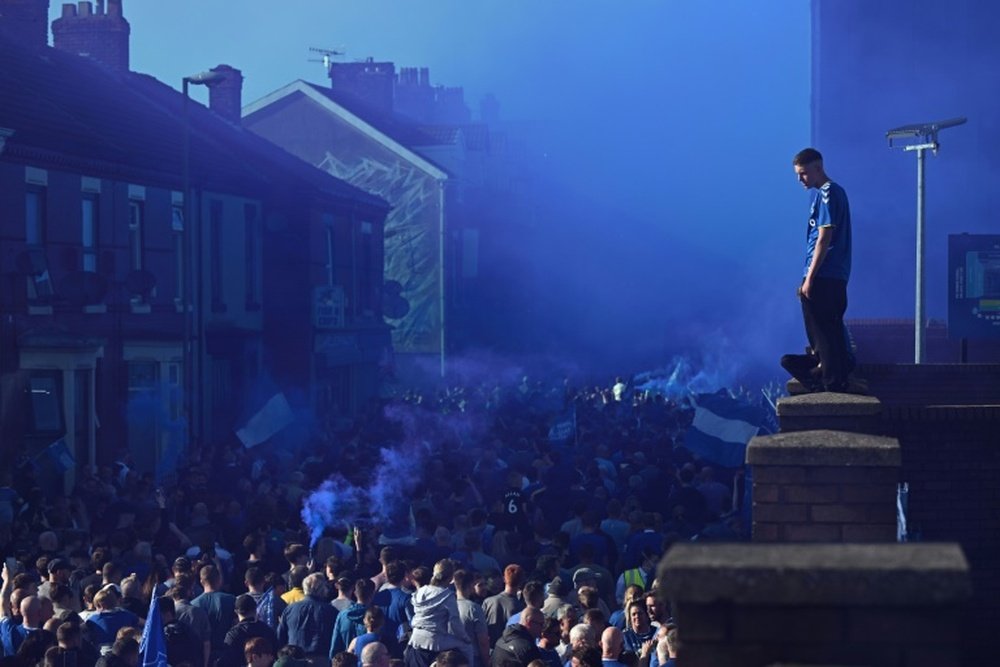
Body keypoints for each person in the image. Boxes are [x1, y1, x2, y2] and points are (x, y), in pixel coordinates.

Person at [784, 147, 854, 393]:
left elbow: (824, 237)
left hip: (825, 274)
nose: (799, 179)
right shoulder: (838, 193)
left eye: (803, 173)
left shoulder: (827, 193)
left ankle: (831, 380)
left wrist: (809, 278)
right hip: (836, 275)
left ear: (818, 168)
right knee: (831, 328)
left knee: (822, 329)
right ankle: (835, 375)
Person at [404, 560, 469, 667]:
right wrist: (465, 638)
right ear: (450, 577)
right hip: (435, 640)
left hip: (415, 638)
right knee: (467, 647)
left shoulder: (421, 591)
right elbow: (455, 622)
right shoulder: (447, 596)